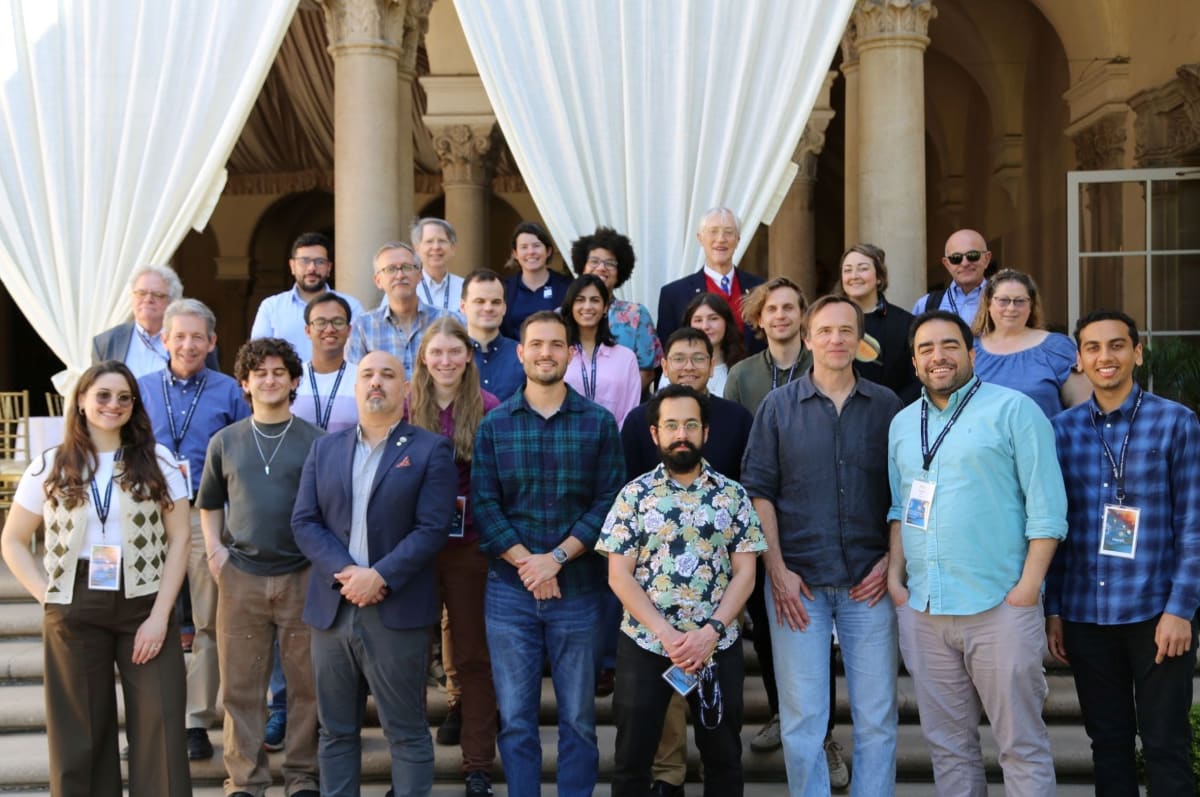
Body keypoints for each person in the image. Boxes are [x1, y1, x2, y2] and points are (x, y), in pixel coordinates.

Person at [887, 310, 1067, 797]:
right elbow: (901, 506)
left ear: (972, 353)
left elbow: (1047, 509)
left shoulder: (1016, 410)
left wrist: (1027, 590)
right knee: (948, 749)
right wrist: (895, 582)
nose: (937, 356)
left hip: (1000, 606)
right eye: (926, 349)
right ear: (915, 361)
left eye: (949, 345)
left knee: (1020, 746)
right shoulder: (903, 424)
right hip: (924, 609)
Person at [1, 361, 192, 797]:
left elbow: (180, 539)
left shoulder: (158, 460)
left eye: (124, 397)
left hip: (144, 598)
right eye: (103, 395)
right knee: (79, 733)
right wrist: (48, 598)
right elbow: (12, 540)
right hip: (75, 600)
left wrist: (162, 616)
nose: (114, 405)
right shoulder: (50, 464)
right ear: (82, 402)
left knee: (160, 724)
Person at [742, 296, 902, 796]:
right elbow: (758, 492)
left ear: (860, 340)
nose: (836, 339)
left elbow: (905, 494)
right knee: (803, 717)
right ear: (808, 340)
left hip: (868, 584)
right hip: (798, 586)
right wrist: (777, 569)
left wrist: (892, 563)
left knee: (877, 716)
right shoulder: (777, 407)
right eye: (826, 331)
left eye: (846, 331)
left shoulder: (887, 407)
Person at [1046, 309, 1200, 796]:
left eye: (1116, 345)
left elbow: (1193, 522)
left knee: (1166, 742)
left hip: (1156, 613)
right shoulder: (1060, 431)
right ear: (1079, 360)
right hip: (1086, 614)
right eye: (1092, 347)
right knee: (1107, 743)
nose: (1104, 356)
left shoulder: (1176, 422)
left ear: (1136, 352)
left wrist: (1182, 609)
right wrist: (1054, 610)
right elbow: (1054, 526)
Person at [472, 310, 624, 797]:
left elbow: (608, 504)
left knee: (578, 719)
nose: (545, 353)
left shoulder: (599, 424)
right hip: (509, 595)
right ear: (520, 353)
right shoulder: (494, 426)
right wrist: (530, 564)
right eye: (535, 344)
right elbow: (485, 505)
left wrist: (554, 560)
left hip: (579, 593)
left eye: (556, 345)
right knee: (516, 719)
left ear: (570, 353)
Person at [292, 350, 458, 797]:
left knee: (405, 731)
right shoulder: (324, 448)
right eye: (367, 374)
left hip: (397, 610)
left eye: (388, 374)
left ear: (406, 389)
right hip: (332, 609)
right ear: (355, 385)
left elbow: (433, 528)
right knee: (335, 732)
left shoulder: (430, 449)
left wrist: (379, 576)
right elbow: (304, 522)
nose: (376, 382)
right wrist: (347, 571)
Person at [599, 384, 766, 797]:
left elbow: (746, 573)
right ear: (654, 433)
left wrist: (709, 631)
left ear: (705, 432)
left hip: (716, 644)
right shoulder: (633, 496)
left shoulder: (733, 495)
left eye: (691, 424)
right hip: (647, 644)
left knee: (724, 758)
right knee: (632, 761)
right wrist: (668, 635)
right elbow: (619, 575)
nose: (681, 434)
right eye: (671, 425)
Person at [197, 338, 322, 797]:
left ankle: (302, 777)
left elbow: (330, 510)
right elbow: (209, 503)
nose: (269, 380)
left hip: (302, 575)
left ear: (293, 380)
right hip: (242, 575)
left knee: (305, 686)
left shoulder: (317, 441)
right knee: (241, 687)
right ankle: (245, 781)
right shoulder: (225, 441)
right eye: (259, 373)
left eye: (278, 372)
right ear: (244, 383)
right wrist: (215, 550)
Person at [138, 298, 250, 760]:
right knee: (145, 620)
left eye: (197, 336)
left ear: (212, 341)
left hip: (207, 515)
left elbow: (244, 454)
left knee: (207, 620)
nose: (188, 344)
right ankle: (149, 720)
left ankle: (195, 720)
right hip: (148, 516)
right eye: (178, 336)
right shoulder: (139, 389)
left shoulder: (229, 391)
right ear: (163, 340)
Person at [408, 317, 501, 797]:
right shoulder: (406, 408)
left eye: (454, 352)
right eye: (436, 352)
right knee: (408, 657)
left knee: (472, 656)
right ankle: (409, 764)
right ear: (423, 357)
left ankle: (478, 765)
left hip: (470, 550)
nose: (445, 361)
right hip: (415, 551)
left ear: (469, 357)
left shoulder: (489, 408)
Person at [971, 269, 1091, 417]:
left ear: (1031, 305)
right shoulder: (969, 349)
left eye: (1020, 301)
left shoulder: (1057, 347)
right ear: (988, 303)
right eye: (1003, 300)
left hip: (1043, 439)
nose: (1011, 308)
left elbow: (1083, 409)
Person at [656, 206, 765, 354]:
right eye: (713, 231)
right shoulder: (674, 294)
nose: (721, 239)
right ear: (700, 238)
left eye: (728, 232)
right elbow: (668, 350)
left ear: (738, 239)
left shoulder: (759, 288)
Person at [570, 226, 663, 392]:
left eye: (610, 263)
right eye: (594, 261)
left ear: (620, 271)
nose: (601, 268)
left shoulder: (636, 314)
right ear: (582, 266)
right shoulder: (562, 315)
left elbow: (647, 373)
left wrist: (617, 403)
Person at [250, 232, 365, 361]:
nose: (312, 268)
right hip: (288, 381)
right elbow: (258, 356)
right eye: (304, 261)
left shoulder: (351, 305)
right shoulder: (271, 307)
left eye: (319, 262)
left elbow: (360, 355)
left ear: (329, 268)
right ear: (292, 266)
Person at [92, 264, 219, 378]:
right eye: (141, 293)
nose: (148, 299)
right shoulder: (107, 342)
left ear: (172, 301)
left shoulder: (195, 344)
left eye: (157, 295)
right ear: (131, 297)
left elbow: (212, 387)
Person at [834, 244, 920, 403]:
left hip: (891, 416)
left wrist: (892, 410)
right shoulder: (827, 321)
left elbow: (916, 379)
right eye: (847, 270)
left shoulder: (906, 323)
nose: (854, 275)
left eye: (863, 268)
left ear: (879, 277)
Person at [347, 241, 447, 377]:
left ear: (419, 275)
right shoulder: (363, 326)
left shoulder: (446, 321)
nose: (400, 275)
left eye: (406, 267)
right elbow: (354, 378)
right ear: (378, 281)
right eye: (390, 269)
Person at [561, 274, 641, 429]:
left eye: (595, 300)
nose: (587, 306)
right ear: (571, 306)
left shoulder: (625, 358)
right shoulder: (560, 355)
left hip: (614, 445)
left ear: (605, 307)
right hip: (568, 443)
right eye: (580, 299)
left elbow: (631, 410)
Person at [724, 276, 812, 412]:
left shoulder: (822, 368)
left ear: (802, 315)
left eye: (788, 308)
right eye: (772, 309)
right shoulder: (740, 376)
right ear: (760, 320)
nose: (780, 315)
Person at [294, 292, 358, 433]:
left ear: (349, 330)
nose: (329, 329)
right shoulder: (292, 378)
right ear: (308, 331)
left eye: (338, 322)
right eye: (321, 322)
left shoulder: (362, 378)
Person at [460, 268, 525, 401]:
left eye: (495, 302)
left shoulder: (523, 356)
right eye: (480, 301)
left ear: (504, 308)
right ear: (463, 307)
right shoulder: (449, 358)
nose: (488, 308)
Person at [500, 221, 572, 340]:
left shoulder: (566, 287)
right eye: (524, 247)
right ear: (515, 254)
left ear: (548, 251)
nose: (531, 252)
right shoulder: (504, 289)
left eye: (536, 245)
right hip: (513, 356)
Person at [673, 292, 745, 397]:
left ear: (726, 323)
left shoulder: (743, 368)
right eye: (698, 320)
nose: (705, 326)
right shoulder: (675, 368)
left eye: (713, 318)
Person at [912, 228, 990, 323]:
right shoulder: (925, 305)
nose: (965, 263)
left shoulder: (1005, 302)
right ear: (947, 264)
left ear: (987, 259)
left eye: (972, 255)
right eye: (956, 258)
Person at [413, 217, 466, 315]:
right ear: (417, 249)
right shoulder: (406, 287)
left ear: (453, 248)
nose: (436, 247)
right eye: (429, 241)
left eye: (442, 241)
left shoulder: (465, 287)